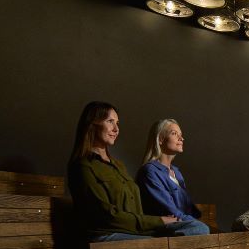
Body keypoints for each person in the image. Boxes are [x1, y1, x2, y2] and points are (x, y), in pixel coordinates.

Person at [67, 102, 210, 241]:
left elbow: (137, 210)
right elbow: (105, 216)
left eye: (117, 123)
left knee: (198, 229)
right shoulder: (83, 166)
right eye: (110, 121)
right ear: (92, 124)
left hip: (136, 230)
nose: (116, 129)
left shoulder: (118, 165)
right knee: (196, 230)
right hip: (106, 234)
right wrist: (159, 221)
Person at [136, 119, 210, 234]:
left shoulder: (176, 172)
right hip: (162, 227)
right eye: (174, 133)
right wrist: (197, 223)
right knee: (201, 229)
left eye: (181, 135)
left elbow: (187, 209)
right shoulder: (150, 171)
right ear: (160, 139)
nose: (181, 138)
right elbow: (170, 211)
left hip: (182, 224)